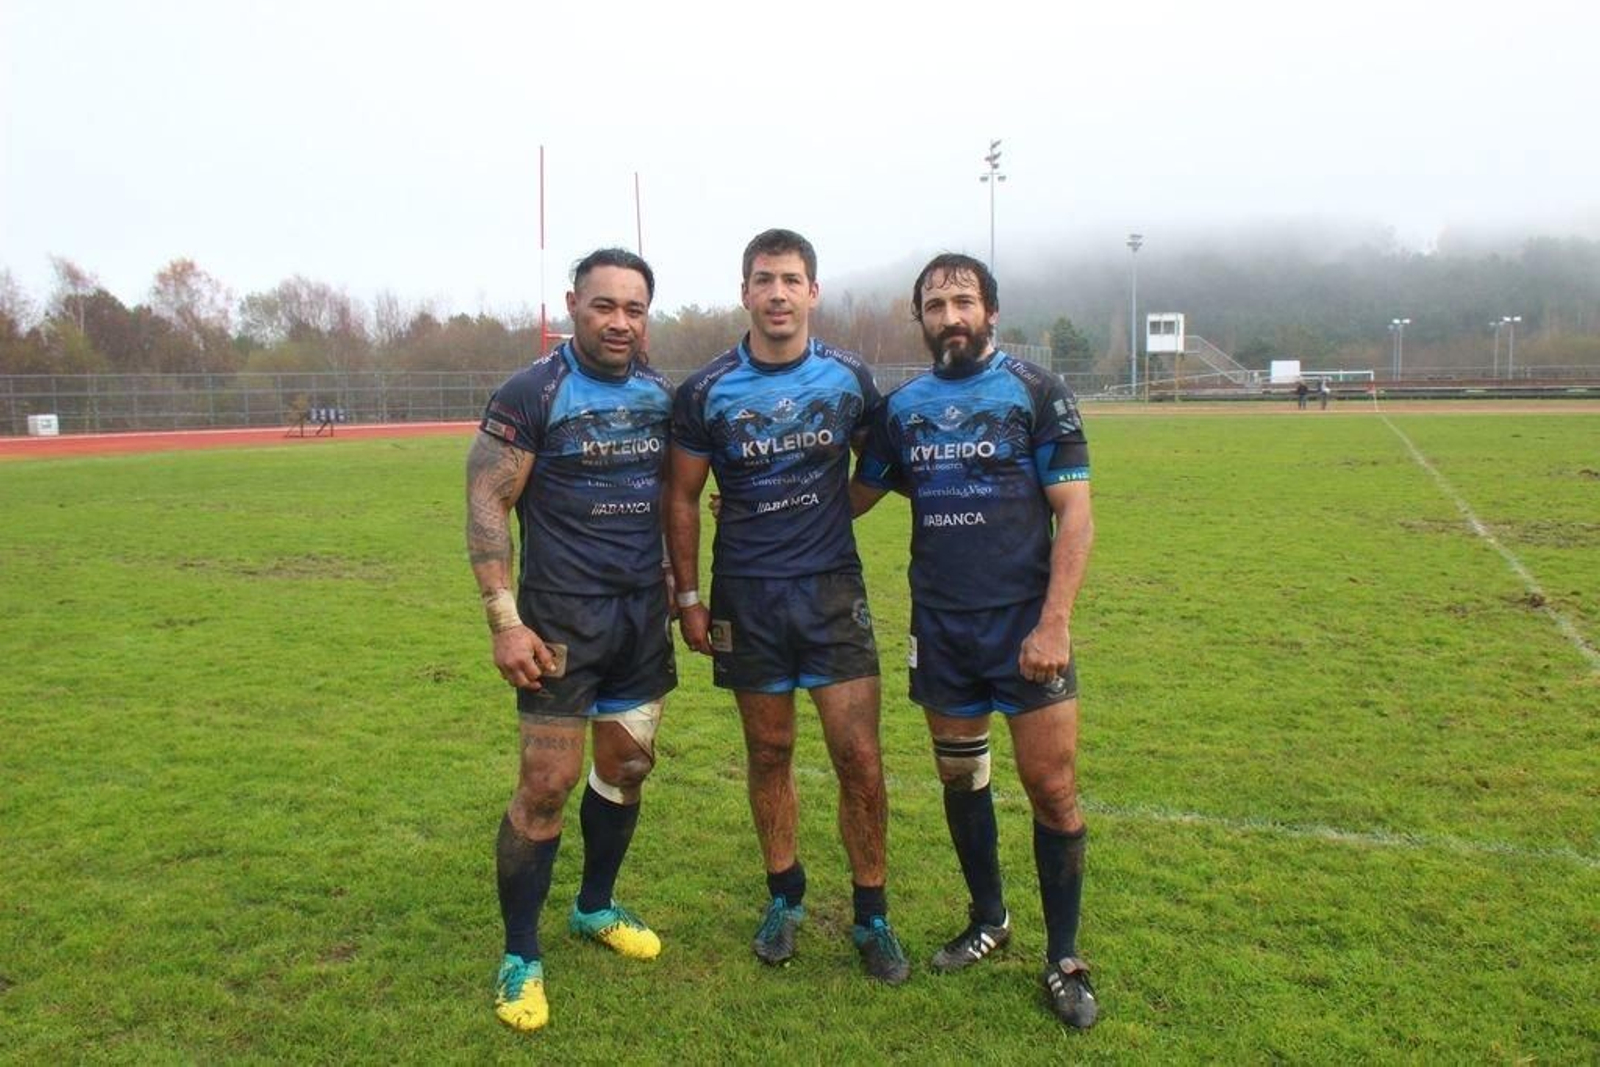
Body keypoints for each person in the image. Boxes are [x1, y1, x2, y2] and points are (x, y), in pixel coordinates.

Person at [850, 253, 1099, 1028]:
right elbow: (858, 491)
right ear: (920, 318)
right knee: (963, 780)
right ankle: (989, 917)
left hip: (1025, 627)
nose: (950, 315)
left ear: (991, 310)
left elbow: (1076, 514)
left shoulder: (1036, 392)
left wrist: (1054, 621)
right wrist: (764, 502)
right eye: (935, 303)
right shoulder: (904, 408)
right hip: (943, 628)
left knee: (1051, 787)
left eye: (964, 300)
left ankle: (1063, 957)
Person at [665, 228, 908, 984]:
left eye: (791, 279)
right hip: (747, 595)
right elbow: (681, 494)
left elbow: (884, 454)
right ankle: (785, 896)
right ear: (744, 292)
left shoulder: (847, 377)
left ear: (813, 292)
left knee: (858, 757)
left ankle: (872, 914)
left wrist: (843, 507)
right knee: (769, 752)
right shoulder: (707, 391)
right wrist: (690, 597)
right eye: (764, 279)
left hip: (832, 591)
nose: (777, 292)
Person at [465, 248, 676, 1032]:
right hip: (558, 626)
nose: (619, 321)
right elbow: (487, 505)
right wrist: (504, 618)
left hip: (639, 621)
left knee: (625, 766)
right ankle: (521, 952)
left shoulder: (661, 394)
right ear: (572, 306)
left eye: (634, 309)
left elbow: (682, 491)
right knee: (546, 785)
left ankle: (595, 905)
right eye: (604, 306)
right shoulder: (532, 392)